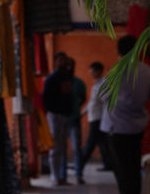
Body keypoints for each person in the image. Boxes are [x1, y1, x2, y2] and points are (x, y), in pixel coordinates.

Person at [100, 35, 150, 194]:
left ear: (119, 51)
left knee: (122, 168)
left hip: (117, 125)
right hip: (137, 123)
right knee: (132, 166)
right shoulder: (145, 69)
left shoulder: (118, 69)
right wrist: (147, 97)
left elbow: (103, 93)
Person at [42, 51, 73, 184]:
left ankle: (62, 176)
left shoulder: (68, 77)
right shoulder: (51, 78)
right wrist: (50, 112)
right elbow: (45, 98)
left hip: (66, 115)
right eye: (60, 60)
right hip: (55, 115)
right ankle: (54, 176)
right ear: (55, 62)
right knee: (55, 146)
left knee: (62, 147)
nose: (63, 62)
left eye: (64, 60)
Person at [80, 61, 111, 174]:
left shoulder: (103, 84)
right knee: (103, 143)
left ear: (98, 71)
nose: (91, 73)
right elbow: (92, 102)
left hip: (99, 118)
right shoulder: (96, 84)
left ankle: (81, 163)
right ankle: (108, 163)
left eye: (92, 71)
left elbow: (105, 102)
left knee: (91, 142)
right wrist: (83, 112)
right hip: (94, 117)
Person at [60, 56, 86, 184]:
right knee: (62, 149)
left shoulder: (78, 82)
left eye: (72, 65)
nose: (70, 68)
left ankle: (78, 175)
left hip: (74, 118)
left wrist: (76, 106)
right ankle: (62, 176)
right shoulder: (59, 82)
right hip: (62, 118)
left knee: (76, 148)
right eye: (67, 65)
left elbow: (83, 97)